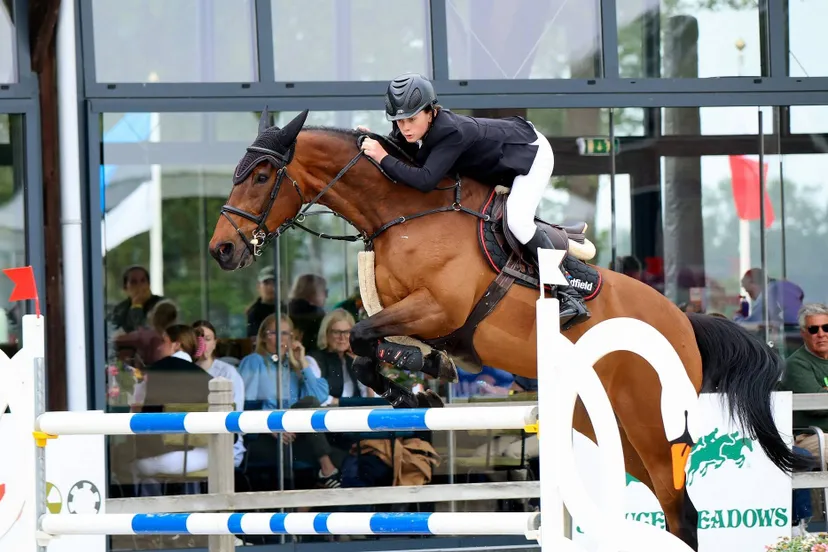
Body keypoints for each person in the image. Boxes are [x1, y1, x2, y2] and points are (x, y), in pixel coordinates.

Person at [358, 73, 589, 327]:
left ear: (431, 112)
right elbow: (399, 148)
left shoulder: (450, 132)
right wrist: (378, 141)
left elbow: (424, 180)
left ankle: (568, 292)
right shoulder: (415, 127)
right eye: (399, 121)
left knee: (518, 223)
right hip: (503, 153)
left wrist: (382, 156)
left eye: (411, 119)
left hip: (530, 155)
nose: (405, 128)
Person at [238, 314, 342, 488]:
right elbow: (245, 405)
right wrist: (271, 425)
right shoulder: (254, 362)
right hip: (267, 435)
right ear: (263, 337)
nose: (281, 339)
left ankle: (321, 482)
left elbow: (320, 397)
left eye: (286, 334)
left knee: (345, 457)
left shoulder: (294, 365)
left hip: (295, 434)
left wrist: (301, 362)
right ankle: (326, 469)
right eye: (275, 333)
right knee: (336, 461)